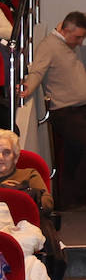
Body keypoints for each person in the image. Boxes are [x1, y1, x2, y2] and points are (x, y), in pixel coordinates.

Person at [18, 12, 86, 209]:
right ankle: (74, 200)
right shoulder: (48, 46)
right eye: (77, 37)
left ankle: (72, 201)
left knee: (74, 155)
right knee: (79, 151)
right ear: (65, 31)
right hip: (65, 112)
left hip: (80, 111)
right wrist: (28, 88)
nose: (80, 42)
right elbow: (37, 70)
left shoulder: (68, 44)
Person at [0, 128, 53, 215]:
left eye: (6, 152)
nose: (0, 157)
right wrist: (3, 188)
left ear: (15, 158)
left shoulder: (29, 174)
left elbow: (47, 204)